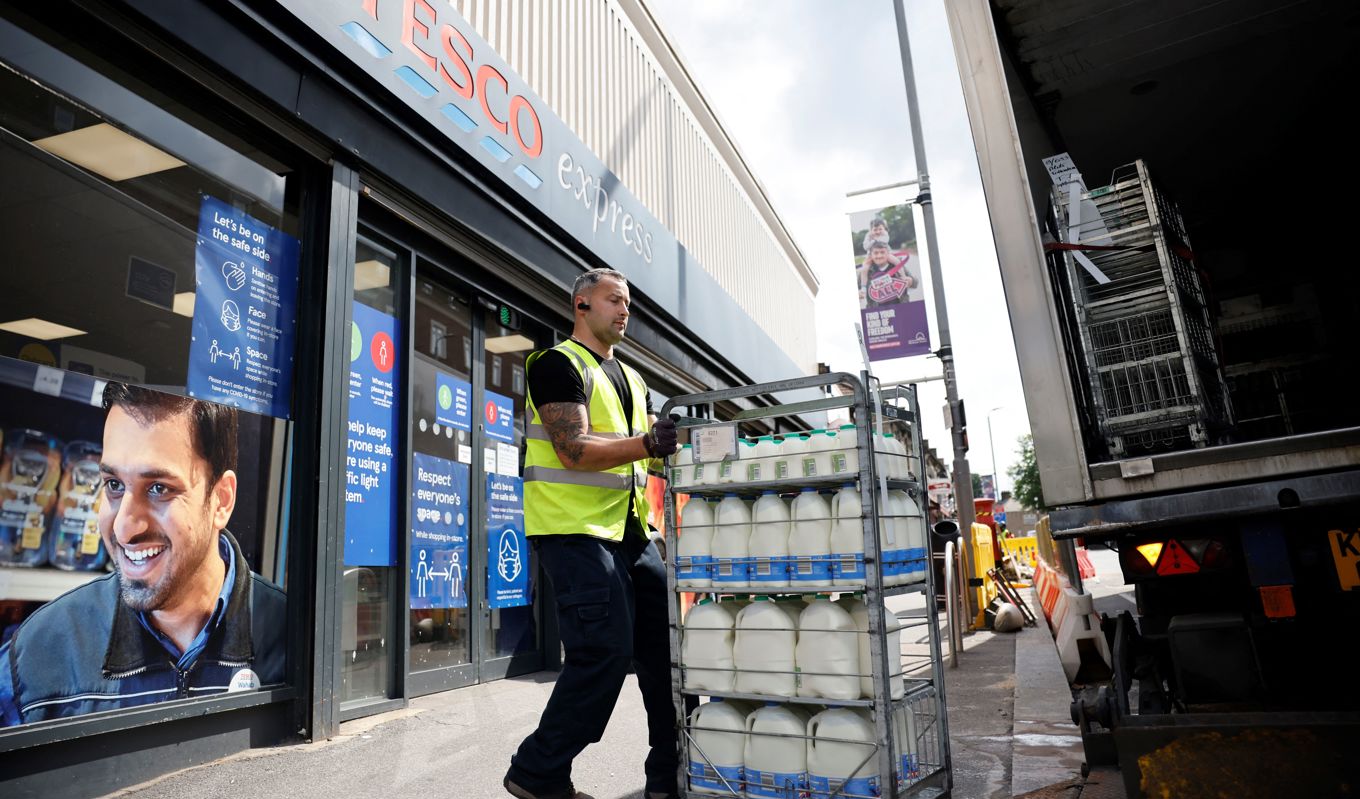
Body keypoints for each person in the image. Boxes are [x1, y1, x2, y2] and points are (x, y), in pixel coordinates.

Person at [0, 383, 286, 726]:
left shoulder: (291, 640)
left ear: (221, 500)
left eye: (158, 488)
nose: (124, 528)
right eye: (114, 485)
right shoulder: (39, 654)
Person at [505, 268, 679, 799]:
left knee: (667, 654)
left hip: (630, 532)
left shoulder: (633, 378)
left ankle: (669, 778)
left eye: (628, 302)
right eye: (614, 300)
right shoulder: (556, 364)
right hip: (571, 531)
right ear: (582, 304)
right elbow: (573, 450)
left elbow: (648, 456)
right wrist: (649, 443)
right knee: (603, 651)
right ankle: (538, 772)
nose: (625, 310)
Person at [859, 240, 919, 308]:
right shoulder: (866, 271)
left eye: (882, 252)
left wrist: (911, 281)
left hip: (901, 309)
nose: (879, 256)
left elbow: (915, 283)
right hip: (877, 313)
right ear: (871, 255)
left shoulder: (897, 266)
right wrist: (860, 293)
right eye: (876, 253)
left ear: (888, 254)